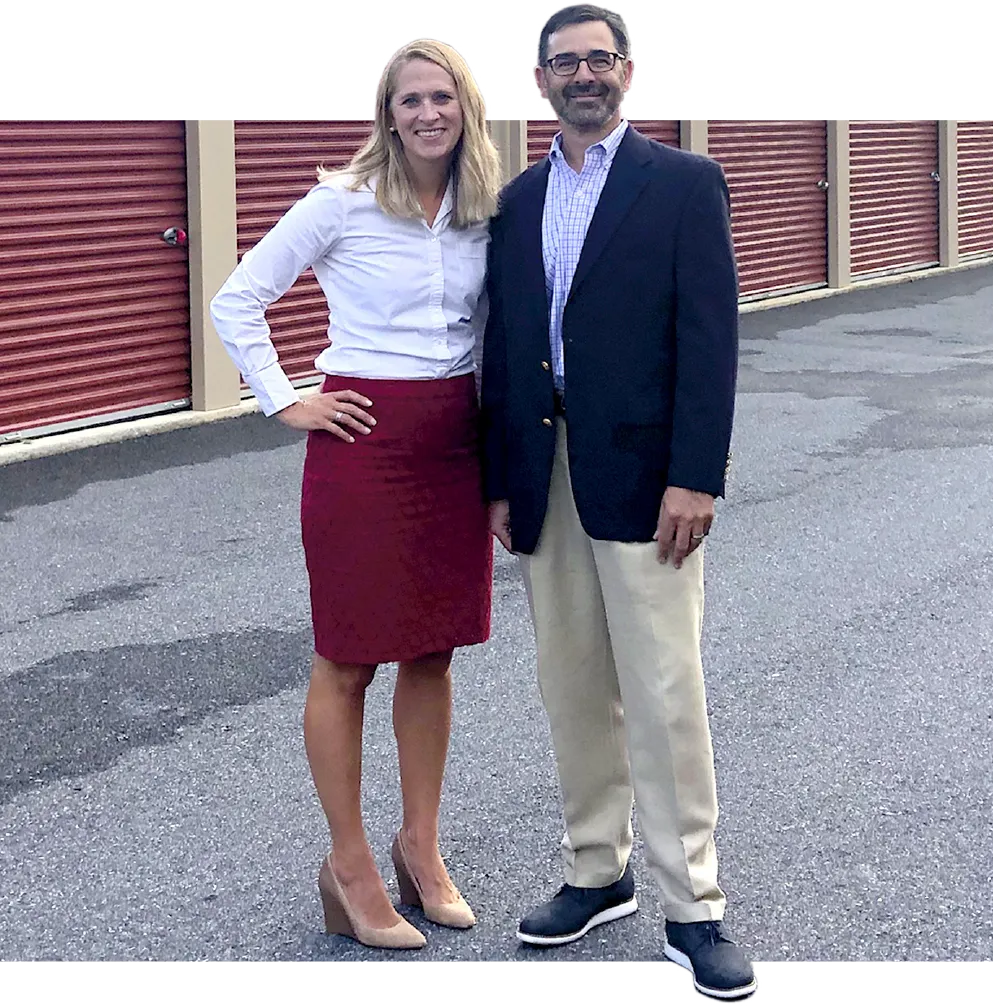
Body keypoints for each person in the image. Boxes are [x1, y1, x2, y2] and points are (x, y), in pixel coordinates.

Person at [480, 4, 757, 997]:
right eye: (566, 63)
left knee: (663, 689)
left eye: (600, 59)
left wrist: (697, 472)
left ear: (629, 72)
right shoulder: (515, 200)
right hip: (544, 474)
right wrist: (502, 482)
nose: (584, 75)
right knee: (570, 679)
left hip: (648, 476)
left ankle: (694, 906)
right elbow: (505, 350)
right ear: (538, 79)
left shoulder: (681, 184)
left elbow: (710, 341)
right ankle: (596, 870)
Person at [210, 37, 502, 951]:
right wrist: (286, 398)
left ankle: (421, 846)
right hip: (364, 448)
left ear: (469, 110)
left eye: (442, 98)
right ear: (386, 113)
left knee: (434, 654)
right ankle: (349, 864)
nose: (427, 114)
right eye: (409, 100)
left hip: (454, 443)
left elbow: (490, 332)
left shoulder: (483, 208)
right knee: (347, 660)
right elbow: (237, 299)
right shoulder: (339, 202)